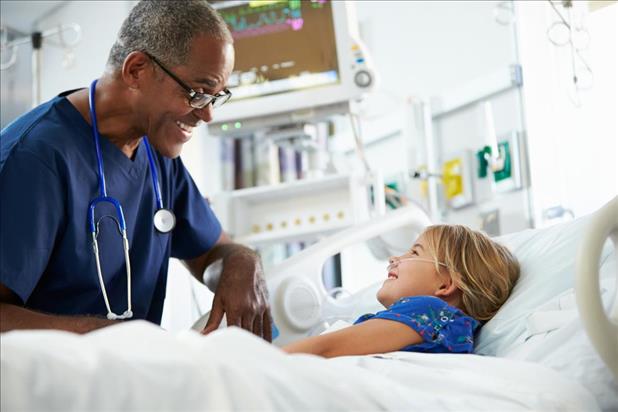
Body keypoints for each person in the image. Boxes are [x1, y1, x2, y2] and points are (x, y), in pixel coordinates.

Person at [0, 1, 272, 340]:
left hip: (128, 377)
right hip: (46, 386)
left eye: (216, 98)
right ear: (137, 70)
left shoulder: (157, 154)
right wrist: (104, 336)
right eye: (197, 94)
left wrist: (241, 262)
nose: (206, 116)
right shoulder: (36, 160)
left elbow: (213, 252)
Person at [283, 224, 520, 357]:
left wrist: (259, 361)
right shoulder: (447, 328)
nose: (395, 258)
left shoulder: (432, 313)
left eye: (414, 252)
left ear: (445, 285)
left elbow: (326, 348)